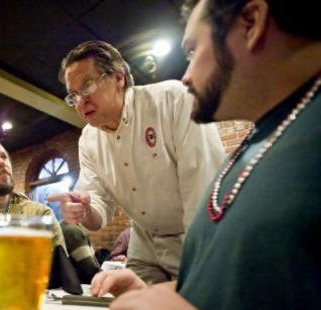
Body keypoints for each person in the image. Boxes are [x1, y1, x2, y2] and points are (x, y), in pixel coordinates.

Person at [91, 0, 321, 310]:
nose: (185, 76)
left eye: (193, 50)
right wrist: (160, 297)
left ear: (251, 24)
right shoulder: (265, 137)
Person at [47, 40, 225, 284]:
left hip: (193, 235)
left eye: (87, 86)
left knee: (193, 303)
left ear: (118, 78)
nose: (80, 102)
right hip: (144, 242)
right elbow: (97, 205)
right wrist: (85, 210)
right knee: (130, 304)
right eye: (74, 95)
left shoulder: (172, 99)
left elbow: (203, 190)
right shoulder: (88, 139)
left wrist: (202, 269)